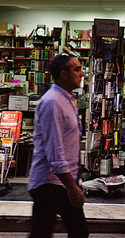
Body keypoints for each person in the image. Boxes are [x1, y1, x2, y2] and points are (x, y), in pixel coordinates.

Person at [28, 53, 88, 238]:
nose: (82, 73)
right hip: (50, 183)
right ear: (63, 74)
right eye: (76, 69)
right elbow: (55, 150)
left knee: (77, 232)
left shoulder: (66, 99)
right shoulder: (52, 102)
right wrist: (72, 187)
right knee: (44, 233)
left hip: (60, 181)